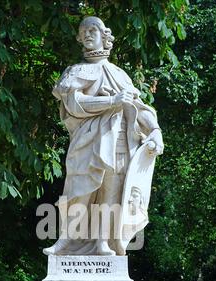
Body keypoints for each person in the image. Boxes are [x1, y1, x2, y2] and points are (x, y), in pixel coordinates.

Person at [44, 16, 163, 256]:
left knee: (111, 193)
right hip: (87, 141)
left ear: (104, 37)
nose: (87, 35)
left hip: (118, 141)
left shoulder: (119, 75)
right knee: (80, 190)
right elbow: (74, 104)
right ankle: (66, 240)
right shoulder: (75, 72)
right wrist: (111, 101)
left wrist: (155, 131)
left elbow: (138, 108)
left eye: (92, 30)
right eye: (83, 31)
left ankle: (102, 242)